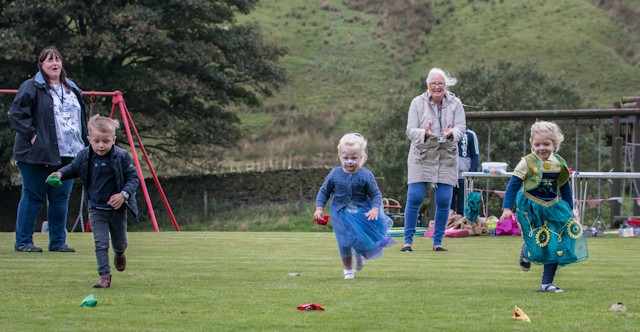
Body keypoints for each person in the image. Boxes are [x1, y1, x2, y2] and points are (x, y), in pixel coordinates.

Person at [10, 46, 89, 253]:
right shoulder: (31, 86)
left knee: (60, 198)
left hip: (69, 153)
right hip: (36, 153)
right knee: (34, 195)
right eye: (49, 60)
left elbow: (79, 119)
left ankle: (57, 242)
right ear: (41, 65)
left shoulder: (72, 88)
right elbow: (17, 114)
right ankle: (23, 242)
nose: (54, 64)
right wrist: (33, 135)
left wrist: (85, 142)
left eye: (57, 60)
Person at [49, 114, 139, 288]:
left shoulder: (121, 156)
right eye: (96, 141)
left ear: (113, 139)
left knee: (120, 243)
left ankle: (119, 254)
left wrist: (123, 195)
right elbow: (73, 168)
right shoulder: (84, 156)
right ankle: (104, 276)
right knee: (101, 242)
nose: (101, 145)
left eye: (106, 141)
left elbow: (133, 178)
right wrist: (59, 173)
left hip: (117, 210)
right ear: (89, 139)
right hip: (96, 208)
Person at [499, 121, 588, 293]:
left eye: (546, 144)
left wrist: (569, 209)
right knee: (538, 243)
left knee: (554, 244)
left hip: (553, 208)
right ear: (531, 143)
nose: (542, 148)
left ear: (555, 144)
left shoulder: (558, 164)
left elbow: (564, 188)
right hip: (530, 208)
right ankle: (527, 249)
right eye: (537, 144)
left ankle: (546, 284)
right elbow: (512, 186)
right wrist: (507, 208)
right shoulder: (526, 163)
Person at [314, 133, 397, 279]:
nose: (350, 162)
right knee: (344, 241)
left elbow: (375, 194)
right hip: (341, 213)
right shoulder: (334, 174)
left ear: (361, 157)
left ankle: (359, 254)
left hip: (362, 212)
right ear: (340, 155)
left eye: (354, 158)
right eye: (345, 158)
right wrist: (319, 208)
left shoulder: (366, 175)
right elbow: (324, 192)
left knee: (359, 239)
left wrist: (375, 208)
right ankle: (348, 270)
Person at [402, 68, 466, 252]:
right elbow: (410, 130)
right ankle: (408, 241)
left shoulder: (456, 103)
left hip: (446, 155)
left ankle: (438, 242)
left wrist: (451, 133)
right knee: (414, 197)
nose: (437, 87)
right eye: (433, 83)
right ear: (428, 86)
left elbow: (461, 128)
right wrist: (425, 133)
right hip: (421, 155)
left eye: (440, 83)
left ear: (445, 85)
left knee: (444, 199)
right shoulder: (417, 102)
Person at [451, 128, 480, 215]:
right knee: (448, 205)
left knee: (463, 206)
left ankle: (463, 226)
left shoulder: (470, 134)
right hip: (449, 177)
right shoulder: (446, 134)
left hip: (465, 177)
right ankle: (447, 226)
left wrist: (471, 173)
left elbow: (475, 155)